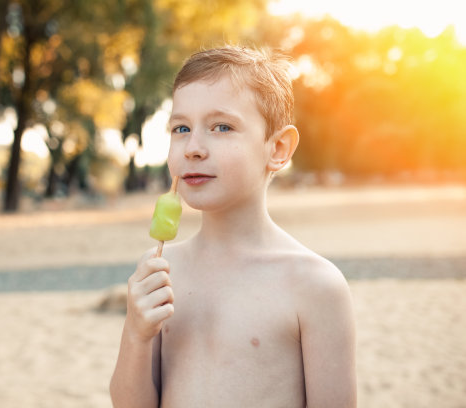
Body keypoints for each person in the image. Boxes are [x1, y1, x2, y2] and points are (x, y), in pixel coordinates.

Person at [110, 45, 357, 408]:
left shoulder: (315, 286)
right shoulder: (163, 269)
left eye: (221, 127)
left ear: (278, 148)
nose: (193, 147)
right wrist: (136, 333)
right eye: (181, 128)